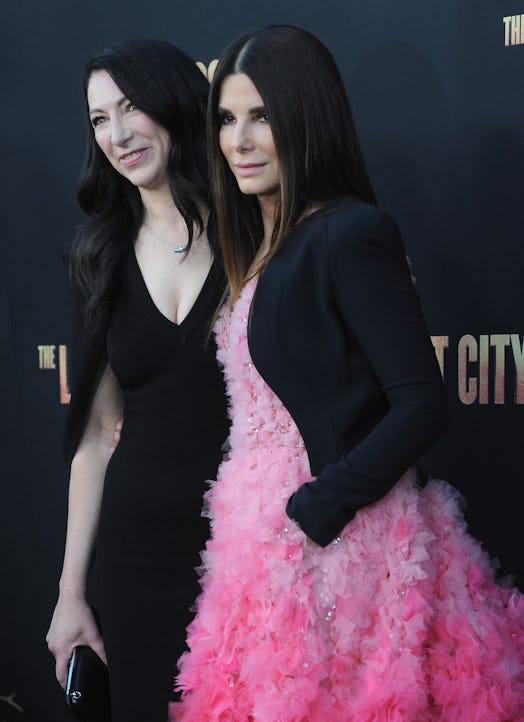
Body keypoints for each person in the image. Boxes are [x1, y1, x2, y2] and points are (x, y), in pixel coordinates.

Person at [171, 25, 524, 721]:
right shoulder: (262, 244)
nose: (238, 141)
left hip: (337, 545)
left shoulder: (349, 232)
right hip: (258, 539)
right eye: (227, 119)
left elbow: (421, 403)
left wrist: (316, 509)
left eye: (262, 117)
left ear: (306, 117)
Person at [46, 40, 230, 722]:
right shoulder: (98, 255)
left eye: (130, 107)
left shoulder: (258, 236)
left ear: (175, 102)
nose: (117, 134)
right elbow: (95, 437)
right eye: (98, 119)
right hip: (135, 557)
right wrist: (70, 596)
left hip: (248, 550)